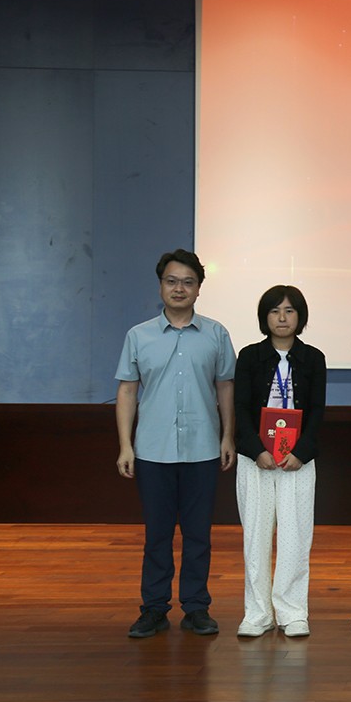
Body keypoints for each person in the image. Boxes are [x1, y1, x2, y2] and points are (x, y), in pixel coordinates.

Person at [115, 249, 237, 638]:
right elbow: (127, 391)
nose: (179, 288)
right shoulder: (139, 336)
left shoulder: (216, 334)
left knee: (199, 535)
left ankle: (196, 608)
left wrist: (227, 436)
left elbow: (225, 388)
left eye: (188, 282)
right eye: (172, 281)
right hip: (153, 450)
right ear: (160, 286)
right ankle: (153, 609)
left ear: (199, 288)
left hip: (203, 449)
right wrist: (125, 445)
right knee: (158, 535)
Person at [233, 285, 327, 638]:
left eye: (289, 310)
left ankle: (292, 612)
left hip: (296, 461)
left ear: (300, 316)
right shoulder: (249, 356)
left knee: (295, 537)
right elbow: (240, 408)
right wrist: (256, 449)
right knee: (255, 538)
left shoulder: (313, 358)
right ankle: (257, 613)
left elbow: (317, 410)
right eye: (274, 311)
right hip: (256, 459)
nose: (282, 317)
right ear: (265, 317)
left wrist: (301, 452)